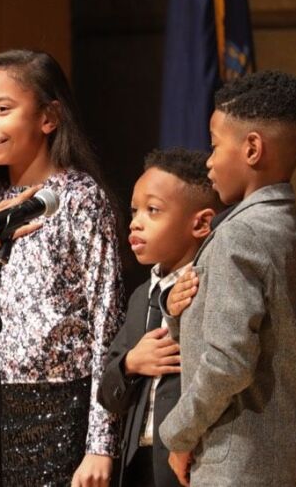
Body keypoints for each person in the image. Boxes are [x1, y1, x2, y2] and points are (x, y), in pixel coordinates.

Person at [0, 49, 124, 486]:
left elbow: (106, 326)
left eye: (2, 110)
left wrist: (100, 443)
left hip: (62, 408)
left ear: (49, 117)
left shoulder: (80, 198)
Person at [158, 71, 296, 486]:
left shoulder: (239, 233)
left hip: (237, 462)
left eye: (215, 145)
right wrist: (182, 311)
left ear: (252, 148)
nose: (209, 160)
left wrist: (177, 433)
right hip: (279, 456)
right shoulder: (282, 224)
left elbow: (229, 361)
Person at [98, 149, 221, 487]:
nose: (136, 222)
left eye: (153, 211)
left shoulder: (212, 288)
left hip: (189, 464)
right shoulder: (141, 298)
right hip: (138, 463)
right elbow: (108, 392)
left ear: (200, 223)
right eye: (135, 210)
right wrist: (130, 364)